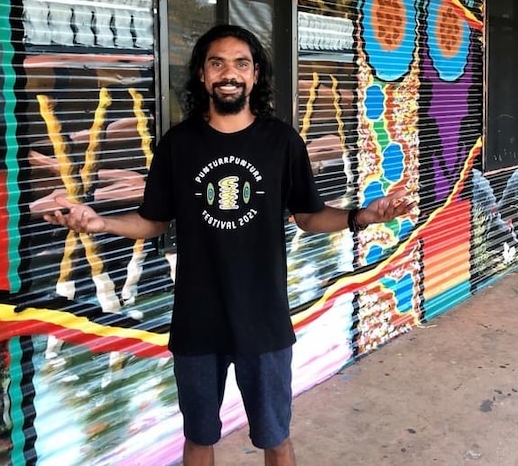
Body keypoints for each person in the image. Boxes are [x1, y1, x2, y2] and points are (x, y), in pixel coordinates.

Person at [44, 24, 415, 466]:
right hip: (198, 320)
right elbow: (152, 222)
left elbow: (308, 216)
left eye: (241, 63)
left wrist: (362, 216)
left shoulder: (281, 142)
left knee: (275, 437)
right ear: (202, 75)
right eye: (217, 63)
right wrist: (100, 222)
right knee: (199, 437)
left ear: (255, 74)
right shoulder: (178, 146)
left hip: (264, 319)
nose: (229, 73)